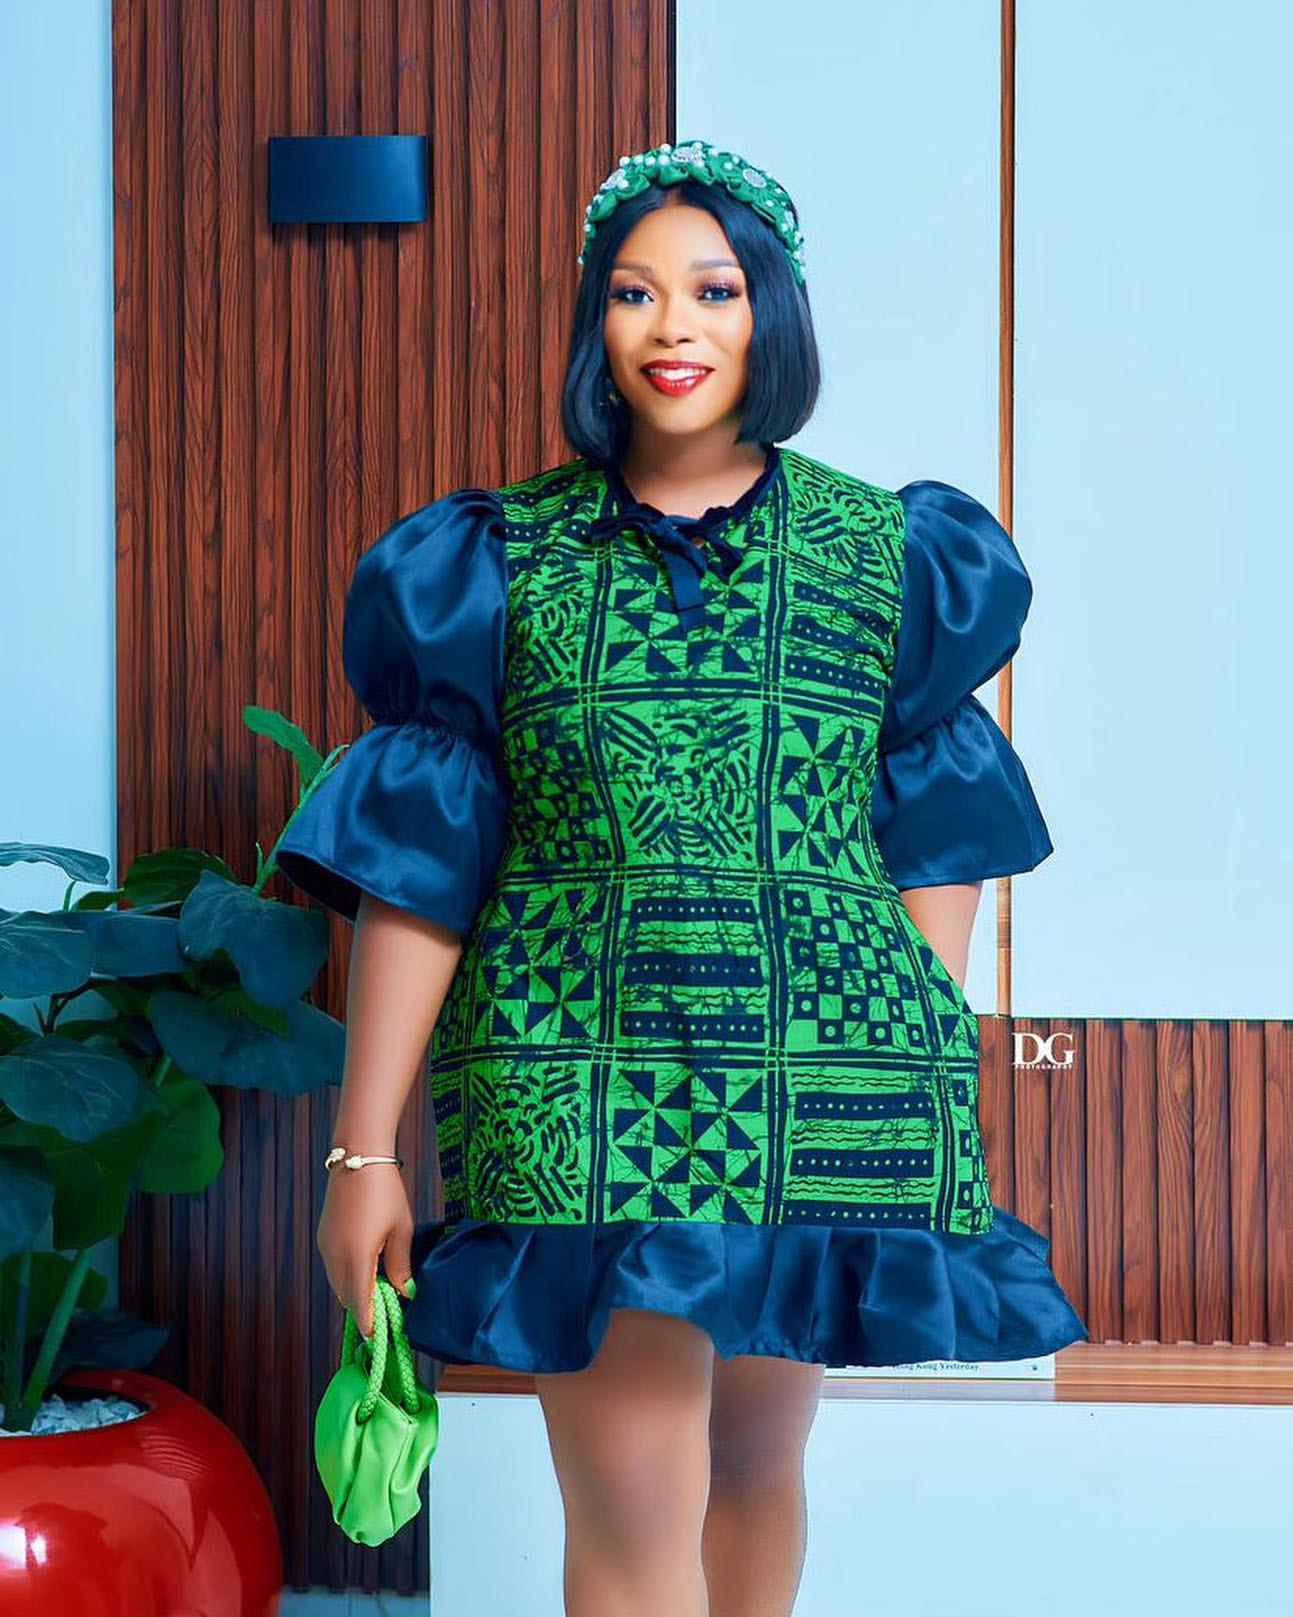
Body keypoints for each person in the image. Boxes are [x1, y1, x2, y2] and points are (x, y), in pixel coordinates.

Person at [275, 138, 1087, 1617]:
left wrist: (908, 1049)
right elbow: (420, 866)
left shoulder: (892, 554)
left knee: (759, 1467)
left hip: (823, 1073)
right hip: (574, 1071)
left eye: (713, 291)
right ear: (595, 321)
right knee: (633, 1507)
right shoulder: (495, 561)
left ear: (772, 312)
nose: (672, 327)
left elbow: (939, 828)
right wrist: (363, 1151)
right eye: (632, 292)